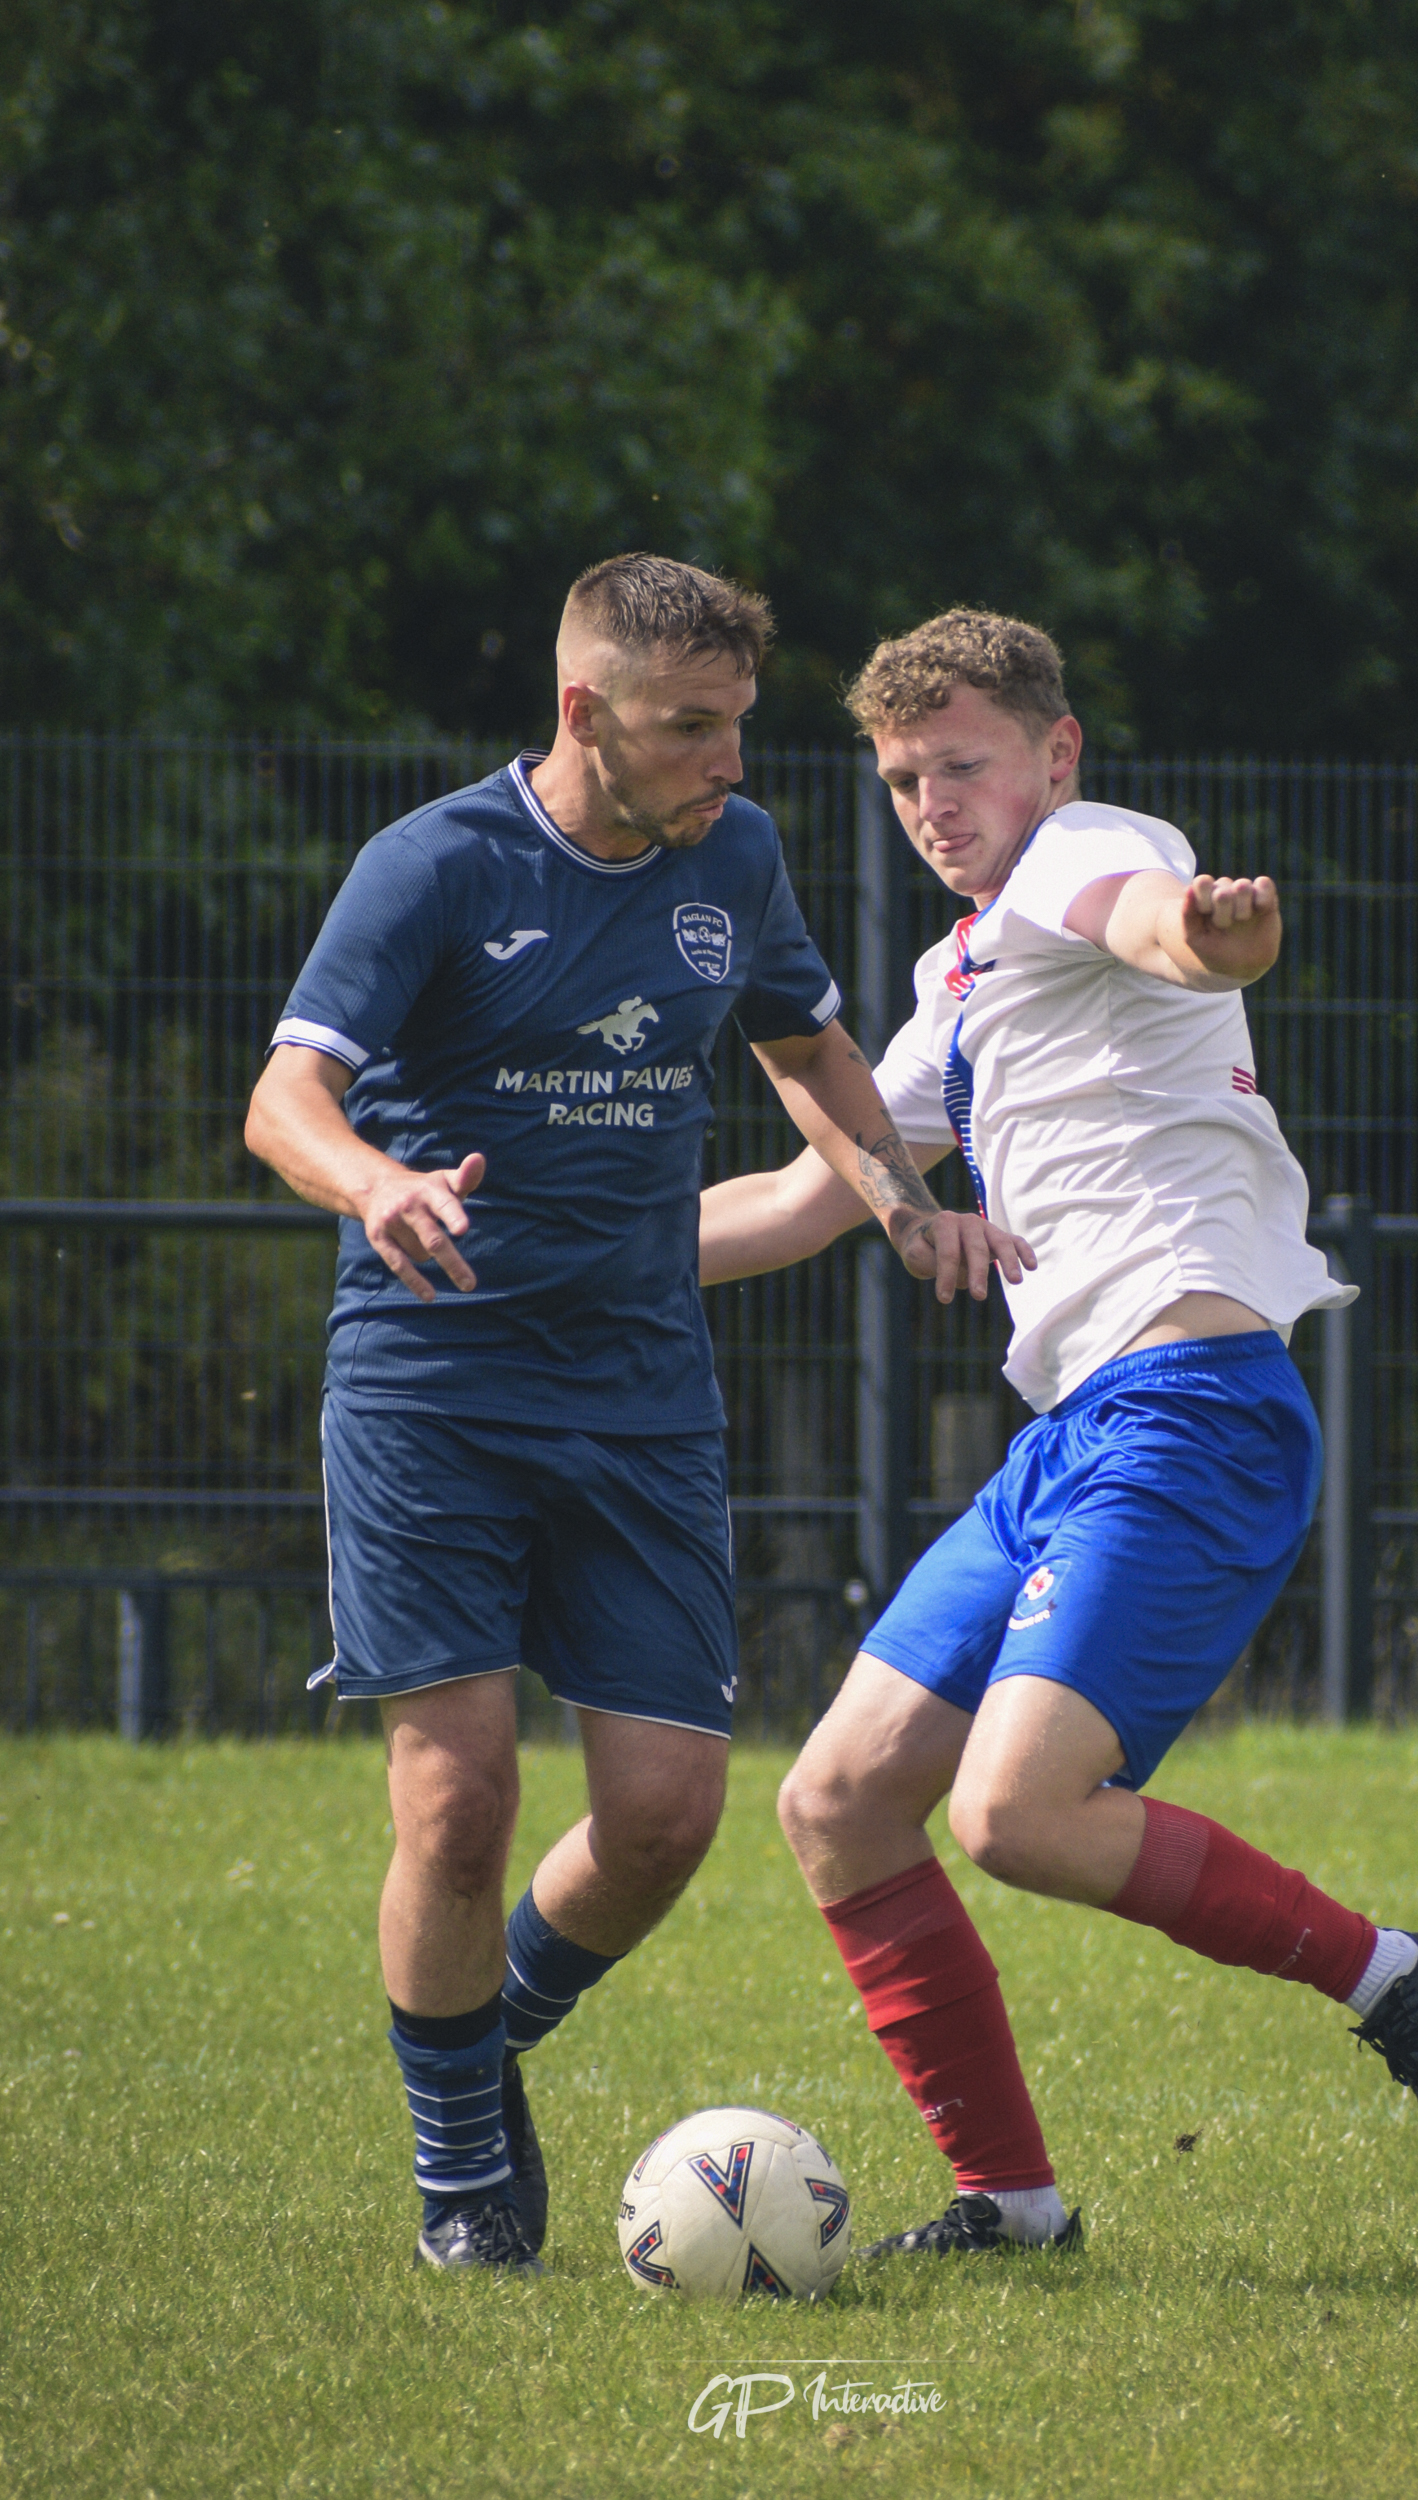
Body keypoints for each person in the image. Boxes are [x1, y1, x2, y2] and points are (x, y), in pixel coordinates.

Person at [244, 557, 1027, 2274]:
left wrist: (902, 1205)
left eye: (739, 725)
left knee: (670, 1814)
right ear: (586, 713)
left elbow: (809, 1050)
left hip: (641, 1392)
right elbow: (283, 1097)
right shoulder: (435, 866)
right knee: (454, 1805)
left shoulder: (732, 856)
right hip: (432, 1377)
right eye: (691, 730)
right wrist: (372, 1179)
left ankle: (472, 2036)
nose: (728, 764)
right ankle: (461, 2162)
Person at [699, 607, 1418, 2256]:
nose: (932, 803)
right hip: (1069, 1441)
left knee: (1016, 1813)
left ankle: (1399, 1976)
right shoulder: (963, 974)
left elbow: (1158, 928)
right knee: (838, 1801)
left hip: (1193, 1414)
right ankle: (1010, 2202)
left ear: (1054, 755)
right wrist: (548, 1240)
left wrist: (1215, 934)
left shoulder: (1093, 845)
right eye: (904, 779)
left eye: (961, 765)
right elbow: (807, 1191)